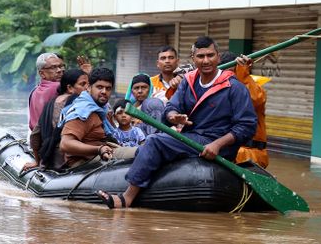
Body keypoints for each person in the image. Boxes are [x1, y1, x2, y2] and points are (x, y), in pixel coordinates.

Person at [95, 36, 257, 209]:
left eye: (210, 55)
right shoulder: (188, 81)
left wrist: (218, 144)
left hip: (219, 143)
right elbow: (172, 106)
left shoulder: (234, 87)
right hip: (192, 138)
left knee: (155, 141)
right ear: (193, 59)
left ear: (218, 57)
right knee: (150, 143)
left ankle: (126, 198)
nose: (206, 61)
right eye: (201, 56)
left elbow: (247, 126)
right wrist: (173, 116)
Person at [58, 68, 135, 168]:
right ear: (89, 87)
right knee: (142, 152)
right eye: (99, 87)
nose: (104, 91)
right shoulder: (83, 111)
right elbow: (65, 144)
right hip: (84, 163)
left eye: (108, 88)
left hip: (106, 154)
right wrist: (99, 149)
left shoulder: (103, 109)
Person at [23, 69, 89, 171]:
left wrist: (37, 161)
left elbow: (35, 136)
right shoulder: (80, 104)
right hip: (71, 161)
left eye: (88, 85)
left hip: (50, 160)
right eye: (83, 84)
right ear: (70, 88)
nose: (87, 88)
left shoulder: (49, 104)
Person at [220, 51, 269, 168]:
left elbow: (253, 99)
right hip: (224, 152)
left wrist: (242, 72)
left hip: (250, 154)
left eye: (231, 73)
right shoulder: (218, 88)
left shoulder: (254, 87)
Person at [28, 53, 65, 131]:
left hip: (36, 136)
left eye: (60, 66)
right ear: (42, 73)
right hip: (51, 137)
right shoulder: (58, 87)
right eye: (53, 67)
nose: (59, 70)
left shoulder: (34, 90)